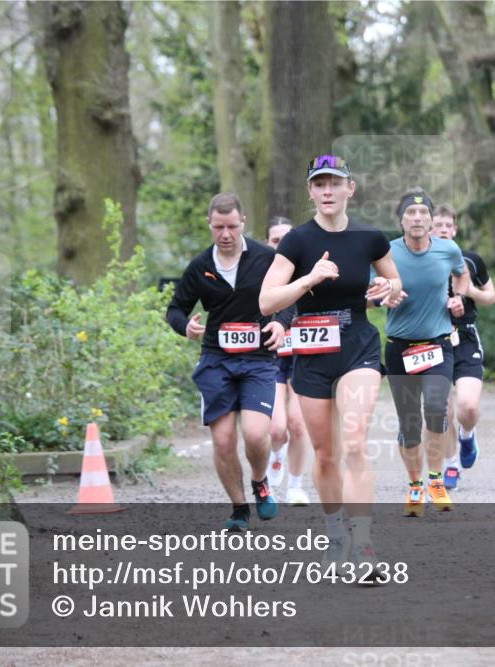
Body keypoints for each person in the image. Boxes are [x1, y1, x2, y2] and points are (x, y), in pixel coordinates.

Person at [259, 154, 402, 578]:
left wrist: (387, 288)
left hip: (358, 345)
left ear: (349, 189)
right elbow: (267, 301)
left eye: (334, 183)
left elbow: (394, 282)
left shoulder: (370, 238)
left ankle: (363, 545)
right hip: (313, 354)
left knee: (355, 443)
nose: (327, 191)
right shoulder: (297, 242)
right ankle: (335, 534)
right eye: (319, 184)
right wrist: (308, 279)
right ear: (310, 191)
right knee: (325, 454)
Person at [167, 193, 293, 531]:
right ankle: (239, 509)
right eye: (218, 227)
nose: (225, 234)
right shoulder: (199, 266)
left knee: (255, 435)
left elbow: (291, 296)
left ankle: (260, 481)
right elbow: (175, 309)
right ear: (210, 225)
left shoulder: (267, 258)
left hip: (258, 360)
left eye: (232, 227)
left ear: (243, 224)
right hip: (216, 360)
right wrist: (186, 327)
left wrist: (281, 321)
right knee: (223, 441)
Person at [376, 189, 469, 517]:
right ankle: (415, 484)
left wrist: (459, 298)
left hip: (438, 345)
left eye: (423, 214)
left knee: (435, 408)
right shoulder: (386, 253)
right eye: (410, 214)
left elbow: (462, 273)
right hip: (400, 347)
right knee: (409, 424)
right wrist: (382, 297)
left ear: (431, 220)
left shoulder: (448, 249)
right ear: (400, 219)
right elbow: (370, 292)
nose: (417, 219)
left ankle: (435, 480)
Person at [429, 204, 495, 490]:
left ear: (455, 229)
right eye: (438, 225)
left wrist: (470, 292)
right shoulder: (421, 261)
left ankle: (467, 435)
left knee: (467, 406)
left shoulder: (471, 260)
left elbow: (490, 297)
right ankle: (451, 464)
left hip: (465, 337)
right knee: (441, 408)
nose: (443, 229)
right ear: (430, 229)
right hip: (433, 338)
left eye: (448, 225)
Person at [265, 217, 310, 506]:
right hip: (270, 358)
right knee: (277, 429)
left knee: (298, 424)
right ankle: (277, 453)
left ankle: (295, 486)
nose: (281, 246)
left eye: (286, 239)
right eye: (274, 241)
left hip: (304, 357)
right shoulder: (260, 275)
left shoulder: (309, 273)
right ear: (267, 243)